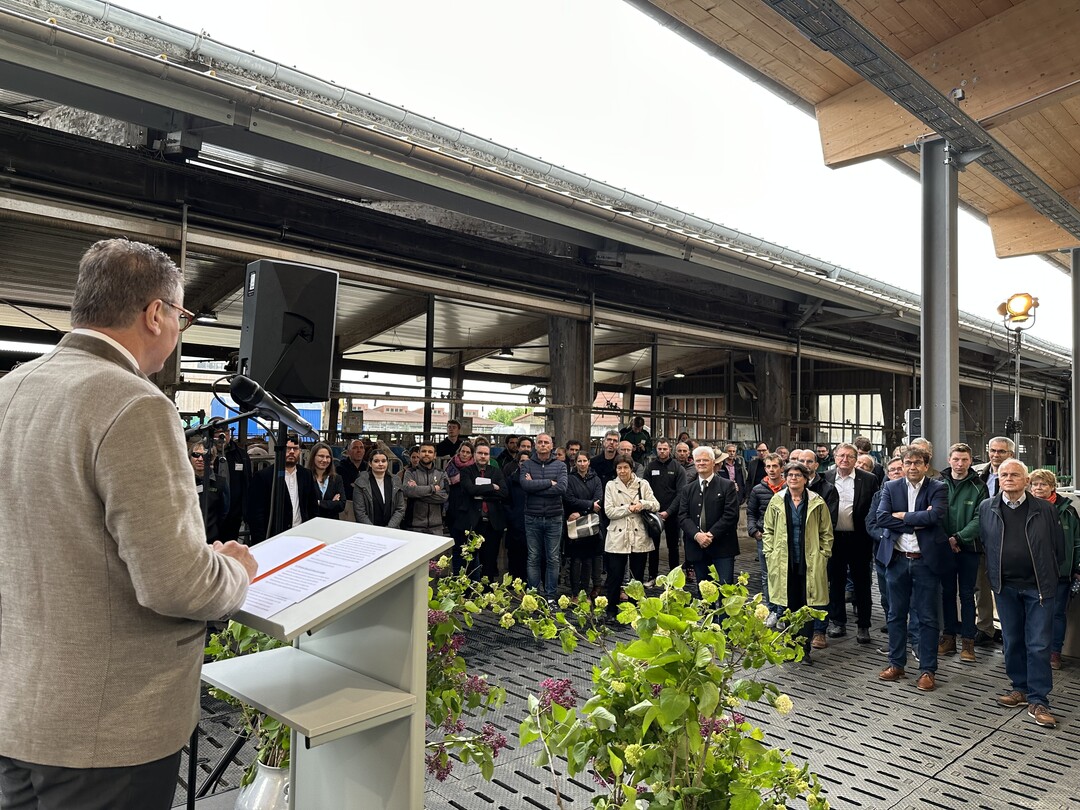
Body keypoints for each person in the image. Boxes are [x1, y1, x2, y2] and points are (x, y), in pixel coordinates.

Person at [0, 238, 255, 810]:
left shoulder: (9, 389)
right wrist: (233, 571)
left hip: (18, 711)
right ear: (156, 312)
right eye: (182, 316)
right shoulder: (133, 403)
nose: (177, 330)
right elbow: (175, 583)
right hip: (106, 728)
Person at [980, 460, 1064, 728]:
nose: (1009, 478)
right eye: (1004, 474)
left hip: (1038, 587)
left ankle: (1039, 700)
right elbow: (986, 543)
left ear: (1026, 480)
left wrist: (1047, 575)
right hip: (1006, 588)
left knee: (1039, 644)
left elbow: (1057, 548)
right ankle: (1020, 688)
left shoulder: (1045, 509)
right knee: (1013, 641)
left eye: (1015, 474)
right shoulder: (987, 508)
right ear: (998, 478)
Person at [875, 447, 950, 692]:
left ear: (926, 466)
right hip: (896, 560)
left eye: (918, 463)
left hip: (925, 562)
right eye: (908, 463)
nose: (912, 467)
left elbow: (936, 517)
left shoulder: (937, 488)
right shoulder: (890, 487)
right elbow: (881, 518)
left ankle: (928, 670)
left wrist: (903, 516)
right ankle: (896, 663)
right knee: (896, 615)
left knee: (928, 618)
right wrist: (917, 519)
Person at [762, 461, 834, 664]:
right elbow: (767, 530)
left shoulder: (816, 502)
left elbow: (826, 531)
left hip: (809, 562)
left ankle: (804, 649)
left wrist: (823, 553)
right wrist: (770, 552)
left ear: (806, 479)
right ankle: (789, 647)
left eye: (798, 475)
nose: (794, 478)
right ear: (786, 478)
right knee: (787, 606)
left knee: (807, 606)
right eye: (790, 475)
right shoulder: (776, 501)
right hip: (784, 562)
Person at [938, 443, 989, 664]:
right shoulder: (938, 483)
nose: (960, 464)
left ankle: (968, 642)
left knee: (967, 595)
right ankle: (948, 637)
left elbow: (981, 518)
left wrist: (958, 538)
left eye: (965, 460)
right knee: (946, 593)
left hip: (969, 549)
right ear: (949, 460)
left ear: (971, 461)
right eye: (956, 459)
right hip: (944, 549)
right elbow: (933, 513)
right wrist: (945, 540)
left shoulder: (980, 487)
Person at [824, 443, 877, 643]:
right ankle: (838, 622)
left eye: (849, 456)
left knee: (862, 584)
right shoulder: (826, 478)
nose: (845, 459)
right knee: (835, 582)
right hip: (834, 539)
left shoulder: (869, 479)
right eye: (841, 455)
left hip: (860, 539)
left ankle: (864, 626)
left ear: (856, 459)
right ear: (835, 457)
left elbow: (874, 508)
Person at [1028, 469, 1080, 671]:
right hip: (1032, 572)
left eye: (1043, 484)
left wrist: (1076, 567)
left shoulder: (1068, 512)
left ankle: (1054, 652)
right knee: (1032, 613)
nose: (1038, 488)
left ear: (1053, 487)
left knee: (1057, 614)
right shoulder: (1025, 508)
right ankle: (1033, 651)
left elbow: (1077, 541)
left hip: (1061, 572)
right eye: (1035, 484)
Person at [603, 455, 659, 617]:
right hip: (617, 536)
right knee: (615, 576)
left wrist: (643, 504)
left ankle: (635, 611)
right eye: (619, 468)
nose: (622, 471)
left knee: (637, 577)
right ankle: (611, 610)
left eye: (625, 467)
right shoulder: (610, 486)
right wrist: (629, 508)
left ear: (631, 468)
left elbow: (656, 504)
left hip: (639, 534)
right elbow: (609, 511)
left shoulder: (643, 484)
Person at [974, 436, 1015, 646]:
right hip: (982, 537)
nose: (996, 455)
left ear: (1011, 454)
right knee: (981, 586)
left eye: (1001, 452)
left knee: (1006, 588)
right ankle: (985, 628)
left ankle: (1010, 632)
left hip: (1008, 542)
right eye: (993, 451)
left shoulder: (1016, 474)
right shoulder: (978, 474)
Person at [679, 445, 739, 585]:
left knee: (726, 591)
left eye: (705, 460)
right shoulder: (688, 489)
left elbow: (731, 515)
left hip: (722, 547)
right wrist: (697, 535)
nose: (701, 463)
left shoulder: (727, 486)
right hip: (698, 548)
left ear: (713, 462)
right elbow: (683, 516)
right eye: (698, 460)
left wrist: (710, 535)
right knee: (703, 594)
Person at [521, 433, 568, 600]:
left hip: (554, 518)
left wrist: (535, 486)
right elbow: (525, 485)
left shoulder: (560, 465)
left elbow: (562, 488)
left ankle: (550, 597)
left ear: (551, 445)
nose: (542, 445)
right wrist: (549, 482)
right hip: (532, 517)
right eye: (539, 442)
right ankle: (533, 597)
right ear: (535, 445)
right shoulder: (526, 464)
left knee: (553, 558)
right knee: (533, 557)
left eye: (546, 442)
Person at [246, 435, 319, 545]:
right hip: (273, 537)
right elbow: (256, 514)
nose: (292, 452)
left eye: (295, 449)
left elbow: (312, 506)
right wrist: (261, 543)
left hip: (300, 535)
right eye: (288, 448)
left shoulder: (306, 475)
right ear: (279, 450)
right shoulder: (264, 476)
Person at [459, 439, 509, 580]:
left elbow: (504, 493)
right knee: (468, 561)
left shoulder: (496, 472)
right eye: (480, 453)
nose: (483, 456)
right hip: (472, 523)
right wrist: (492, 487)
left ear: (489, 456)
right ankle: (466, 594)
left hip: (492, 524)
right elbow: (470, 489)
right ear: (474, 454)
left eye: (486, 454)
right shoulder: (466, 471)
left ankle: (487, 596)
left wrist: (479, 494)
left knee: (489, 562)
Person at [747, 453, 786, 623]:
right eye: (768, 466)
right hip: (765, 538)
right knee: (767, 575)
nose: (771, 470)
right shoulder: (758, 490)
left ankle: (783, 611)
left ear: (781, 468)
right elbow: (751, 513)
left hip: (784, 538)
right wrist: (754, 531)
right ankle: (772, 610)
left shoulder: (789, 488)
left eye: (775, 466)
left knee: (783, 575)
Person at [645, 439, 688, 582]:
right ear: (656, 450)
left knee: (673, 547)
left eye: (665, 448)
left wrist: (669, 511)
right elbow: (645, 490)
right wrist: (653, 510)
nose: (662, 451)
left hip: (672, 515)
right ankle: (652, 576)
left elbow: (681, 493)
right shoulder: (650, 467)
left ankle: (674, 578)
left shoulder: (677, 468)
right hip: (653, 515)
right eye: (659, 449)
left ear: (670, 449)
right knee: (653, 547)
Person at [564, 451, 604, 598]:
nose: (582, 464)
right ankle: (575, 593)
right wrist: (589, 505)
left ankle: (584, 593)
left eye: (584, 461)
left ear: (589, 462)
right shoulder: (570, 479)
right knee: (575, 559)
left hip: (590, 522)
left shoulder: (596, 479)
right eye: (579, 461)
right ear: (575, 463)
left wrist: (581, 513)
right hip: (574, 523)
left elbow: (599, 500)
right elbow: (569, 499)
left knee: (588, 559)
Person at [403, 442, 449, 535]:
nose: (426, 454)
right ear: (419, 453)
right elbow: (408, 491)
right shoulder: (410, 473)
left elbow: (444, 496)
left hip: (436, 527)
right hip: (414, 527)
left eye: (430, 452)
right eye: (423, 451)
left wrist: (418, 492)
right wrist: (432, 489)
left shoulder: (441, 474)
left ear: (435, 455)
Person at [445, 441, 476, 574]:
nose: (464, 454)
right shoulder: (450, 466)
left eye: (468, 452)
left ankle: (468, 578)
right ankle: (456, 575)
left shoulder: (475, 469)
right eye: (462, 451)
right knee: (457, 547)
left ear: (471, 454)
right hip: (453, 509)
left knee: (469, 548)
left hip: (469, 511)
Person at [353, 449, 406, 528]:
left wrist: (389, 528)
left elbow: (400, 508)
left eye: (383, 461)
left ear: (387, 463)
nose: (380, 464)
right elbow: (360, 512)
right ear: (370, 464)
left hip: (391, 530)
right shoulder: (360, 483)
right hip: (368, 531)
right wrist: (373, 530)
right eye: (376, 461)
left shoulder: (396, 481)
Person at [189, 438, 227, 543]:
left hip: (211, 538)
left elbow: (224, 512)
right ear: (190, 458)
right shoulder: (182, 482)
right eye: (196, 455)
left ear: (213, 458)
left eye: (205, 456)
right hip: (187, 538)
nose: (200, 459)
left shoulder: (220, 483)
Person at [308, 441, 346, 520]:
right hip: (311, 523)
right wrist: (331, 504)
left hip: (331, 524)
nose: (325, 460)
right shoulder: (306, 477)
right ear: (313, 457)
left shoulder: (337, 479)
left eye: (328, 457)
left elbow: (341, 505)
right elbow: (307, 504)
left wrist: (318, 502)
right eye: (321, 456)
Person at [336, 439, 368, 522]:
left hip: (366, 506)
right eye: (355, 448)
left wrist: (354, 485)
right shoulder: (341, 468)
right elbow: (346, 490)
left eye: (361, 448)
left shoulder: (368, 467)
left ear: (364, 451)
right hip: (348, 506)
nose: (359, 450)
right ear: (348, 452)